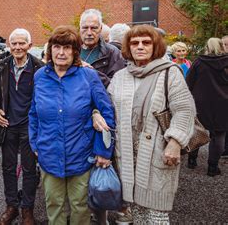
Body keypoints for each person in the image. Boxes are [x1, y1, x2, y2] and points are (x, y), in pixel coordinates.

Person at [107, 25, 195, 223]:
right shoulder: (121, 77)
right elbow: (108, 107)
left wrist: (175, 142)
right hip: (128, 156)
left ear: (155, 46)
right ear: (128, 48)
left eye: (146, 43)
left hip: (159, 151)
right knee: (137, 212)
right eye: (134, 43)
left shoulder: (170, 73)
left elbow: (184, 109)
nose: (140, 47)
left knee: (157, 216)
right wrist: (97, 114)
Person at [28, 25, 115, 225]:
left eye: (67, 47)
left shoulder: (88, 76)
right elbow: (33, 113)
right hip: (48, 153)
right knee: (54, 205)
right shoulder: (40, 76)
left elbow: (107, 113)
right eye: (56, 47)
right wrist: (35, 144)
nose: (61, 52)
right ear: (50, 50)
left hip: (81, 155)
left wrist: (104, 150)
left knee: (80, 206)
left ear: (75, 51)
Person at [0, 28, 44, 225]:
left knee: (30, 169)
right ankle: (12, 206)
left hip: (29, 126)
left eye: (21, 43)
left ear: (29, 46)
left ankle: (27, 210)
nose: (17, 47)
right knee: (7, 167)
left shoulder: (40, 68)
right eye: (13, 43)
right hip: (8, 124)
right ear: (9, 45)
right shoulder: (1, 66)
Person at [186, 38, 228, 175]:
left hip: (200, 103)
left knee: (197, 131)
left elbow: (189, 82)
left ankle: (191, 161)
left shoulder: (199, 62)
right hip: (223, 104)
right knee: (219, 135)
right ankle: (212, 167)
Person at [79, 9, 125, 86]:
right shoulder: (71, 51)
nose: (89, 33)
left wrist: (93, 73)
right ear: (80, 29)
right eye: (85, 28)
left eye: (94, 28)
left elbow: (117, 86)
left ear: (100, 29)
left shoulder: (112, 53)